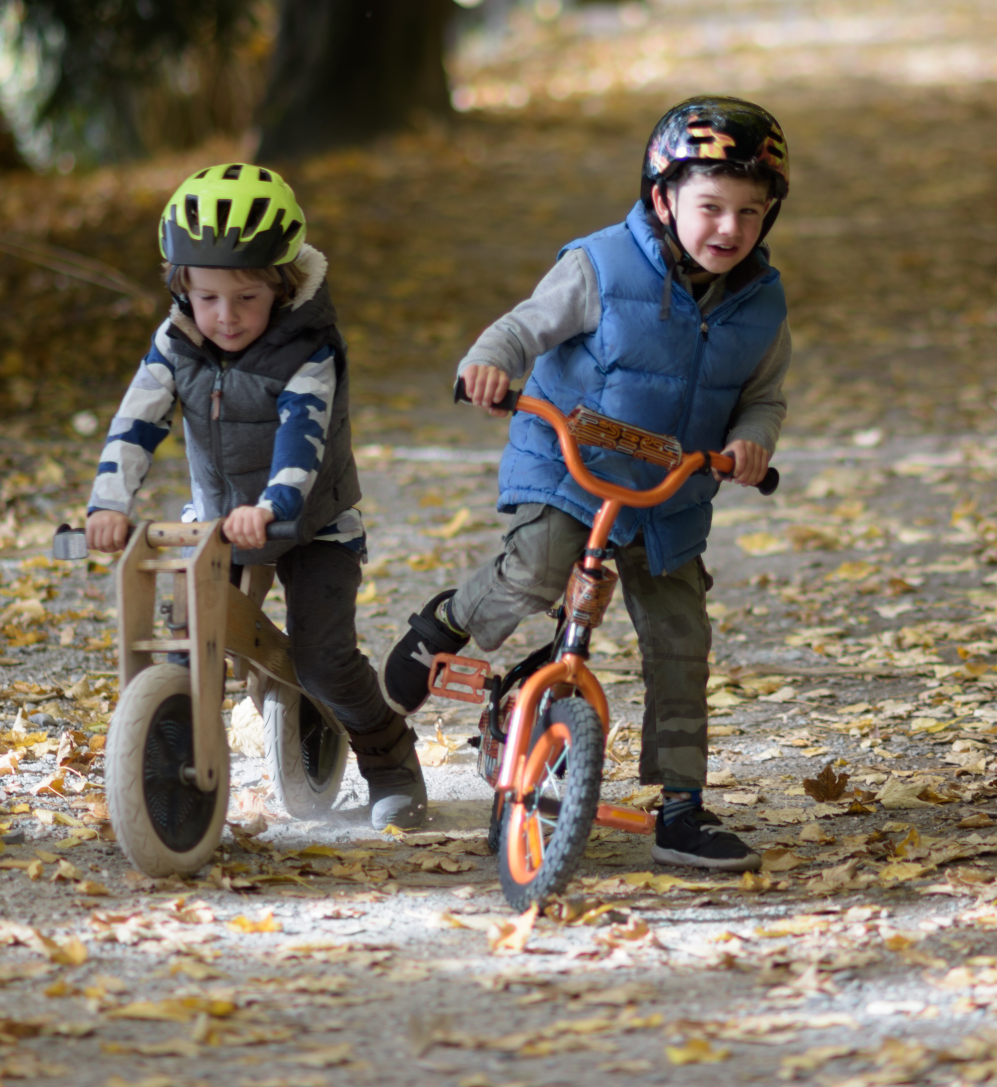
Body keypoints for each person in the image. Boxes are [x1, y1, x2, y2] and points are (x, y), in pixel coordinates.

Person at [381, 97, 792, 872]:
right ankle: (449, 620)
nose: (729, 229)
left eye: (749, 211)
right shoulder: (600, 265)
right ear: (662, 198)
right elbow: (521, 328)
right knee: (539, 567)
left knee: (681, 642)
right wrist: (488, 364)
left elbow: (764, 395)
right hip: (573, 462)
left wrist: (750, 443)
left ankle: (682, 809)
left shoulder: (762, 303)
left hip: (671, 492)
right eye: (710, 207)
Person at [83, 163, 427, 829]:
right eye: (207, 297)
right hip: (220, 520)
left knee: (322, 660)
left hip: (311, 524)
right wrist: (107, 504)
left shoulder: (309, 350)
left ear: (282, 282)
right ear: (183, 287)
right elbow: (136, 424)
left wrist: (272, 506)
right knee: (189, 638)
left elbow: (304, 438)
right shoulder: (176, 343)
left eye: (246, 298)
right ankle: (171, 773)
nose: (225, 317)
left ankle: (389, 761)